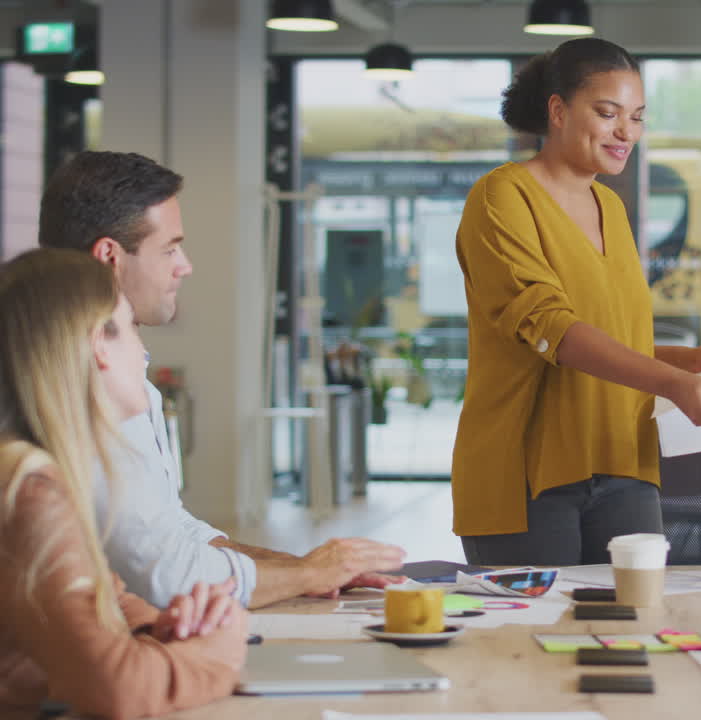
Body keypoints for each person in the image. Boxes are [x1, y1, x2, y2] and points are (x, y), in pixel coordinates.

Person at [38, 150, 406, 609]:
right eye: (169, 249)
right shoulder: (78, 386)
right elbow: (165, 575)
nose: (184, 265)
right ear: (110, 256)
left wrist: (300, 571)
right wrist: (308, 572)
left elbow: (173, 530)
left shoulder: (118, 374)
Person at [453, 38, 701, 565]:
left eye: (636, 117)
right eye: (608, 113)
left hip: (623, 459)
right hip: (528, 472)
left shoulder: (609, 206)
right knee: (532, 637)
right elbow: (552, 328)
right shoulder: (501, 197)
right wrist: (674, 382)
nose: (626, 133)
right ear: (558, 110)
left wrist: (689, 360)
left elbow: (609, 336)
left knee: (633, 626)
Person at [0, 248, 247, 718]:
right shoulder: (28, 489)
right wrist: (218, 654)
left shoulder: (30, 471)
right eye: (131, 326)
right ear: (98, 344)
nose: (144, 350)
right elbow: (118, 690)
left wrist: (164, 628)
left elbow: (102, 596)